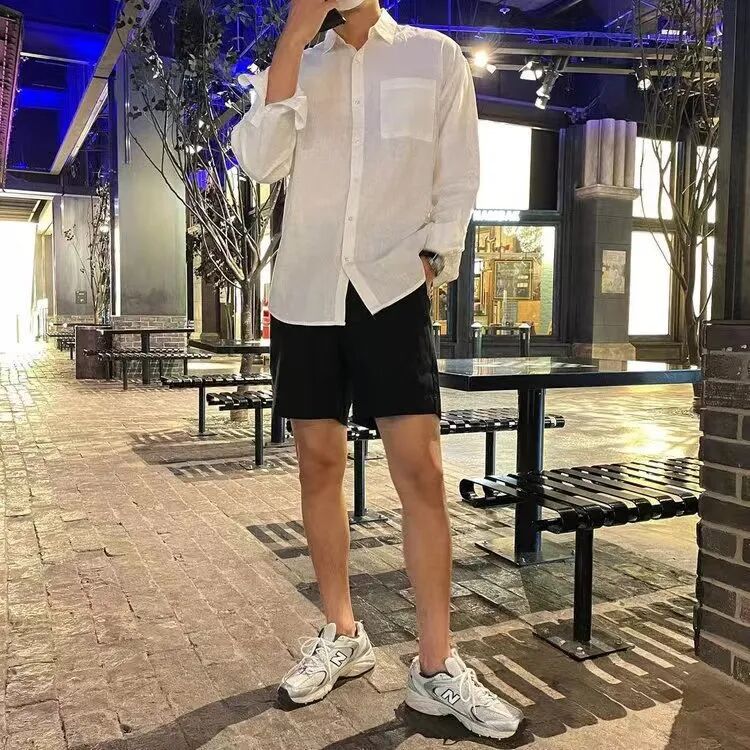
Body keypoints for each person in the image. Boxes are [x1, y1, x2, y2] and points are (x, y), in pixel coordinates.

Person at [231, 0, 524, 740]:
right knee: (318, 464)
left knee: (421, 471)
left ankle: (435, 667)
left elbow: (457, 173)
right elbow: (260, 163)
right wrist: (293, 37)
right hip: (306, 290)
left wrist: (435, 261)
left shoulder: (434, 56)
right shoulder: (296, 64)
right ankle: (342, 631)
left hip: (392, 289)